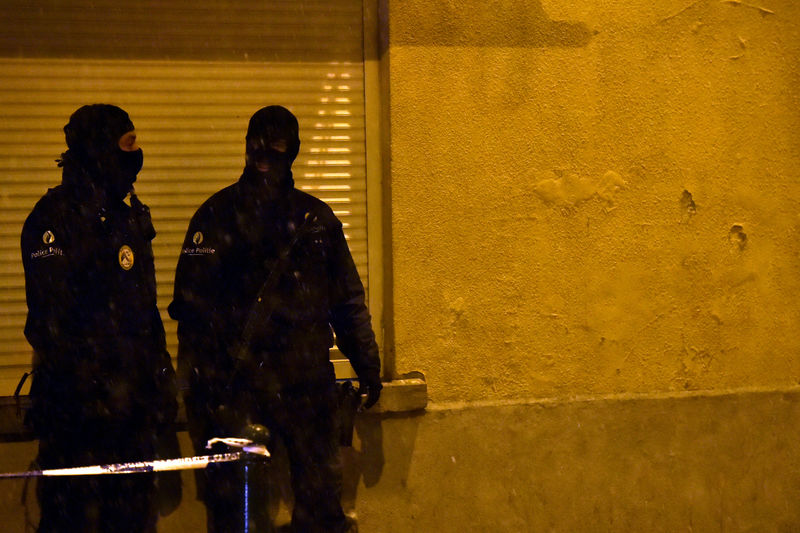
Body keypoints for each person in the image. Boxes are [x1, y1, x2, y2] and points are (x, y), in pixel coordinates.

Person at [169, 105, 382, 533]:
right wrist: (195, 388)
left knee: (313, 510)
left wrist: (368, 366)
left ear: (293, 151)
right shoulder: (219, 217)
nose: (264, 152)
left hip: (302, 387)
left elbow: (347, 302)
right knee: (238, 513)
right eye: (257, 142)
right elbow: (191, 312)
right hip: (242, 388)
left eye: (275, 144)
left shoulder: (314, 221)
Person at [20, 104, 180, 533]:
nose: (138, 153)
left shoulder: (127, 215)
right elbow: (51, 324)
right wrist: (102, 390)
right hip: (78, 426)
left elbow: (144, 310)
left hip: (132, 422)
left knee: (134, 520)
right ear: (100, 150)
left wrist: (160, 387)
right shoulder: (54, 221)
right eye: (129, 144)